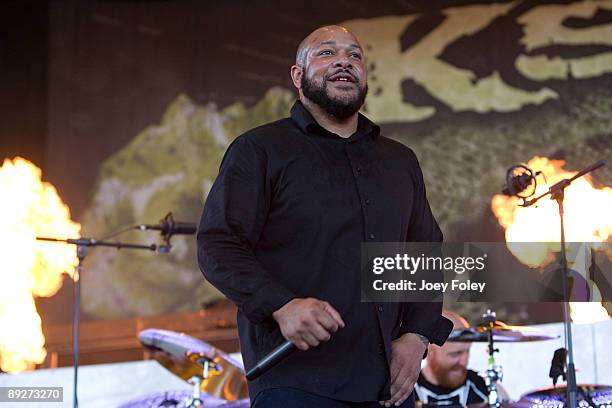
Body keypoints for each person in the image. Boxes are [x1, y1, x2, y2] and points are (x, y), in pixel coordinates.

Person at [197, 25, 452, 408]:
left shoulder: (399, 161)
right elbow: (218, 244)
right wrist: (281, 305)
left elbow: (425, 252)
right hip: (295, 382)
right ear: (297, 76)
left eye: (354, 55)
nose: (343, 62)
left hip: (388, 387)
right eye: (326, 53)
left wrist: (416, 336)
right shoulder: (259, 150)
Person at [415, 311, 504, 407]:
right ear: (429, 351)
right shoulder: (407, 388)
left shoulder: (487, 389)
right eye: (455, 354)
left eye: (467, 352)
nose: (464, 362)